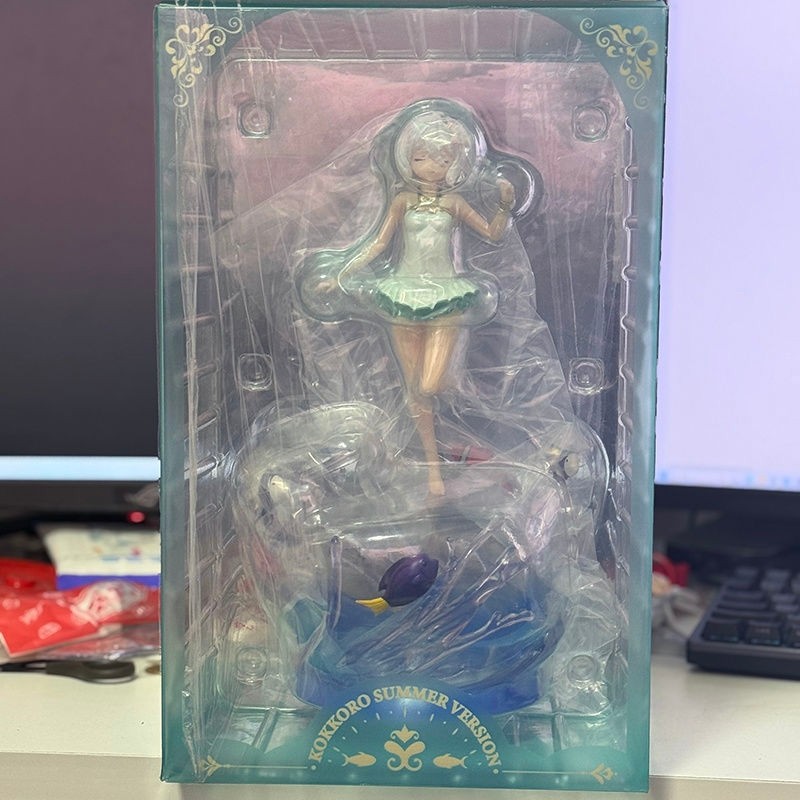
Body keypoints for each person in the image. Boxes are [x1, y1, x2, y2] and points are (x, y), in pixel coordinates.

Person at [323, 106, 516, 497]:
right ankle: (433, 473)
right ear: (407, 159)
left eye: (442, 159)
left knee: (429, 383)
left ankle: (444, 432)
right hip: (403, 293)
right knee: (415, 391)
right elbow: (378, 244)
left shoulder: (454, 203)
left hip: (447, 293)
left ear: (455, 163)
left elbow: (493, 234)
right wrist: (341, 273)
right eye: (421, 157)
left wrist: (504, 206)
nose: (431, 166)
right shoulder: (402, 200)